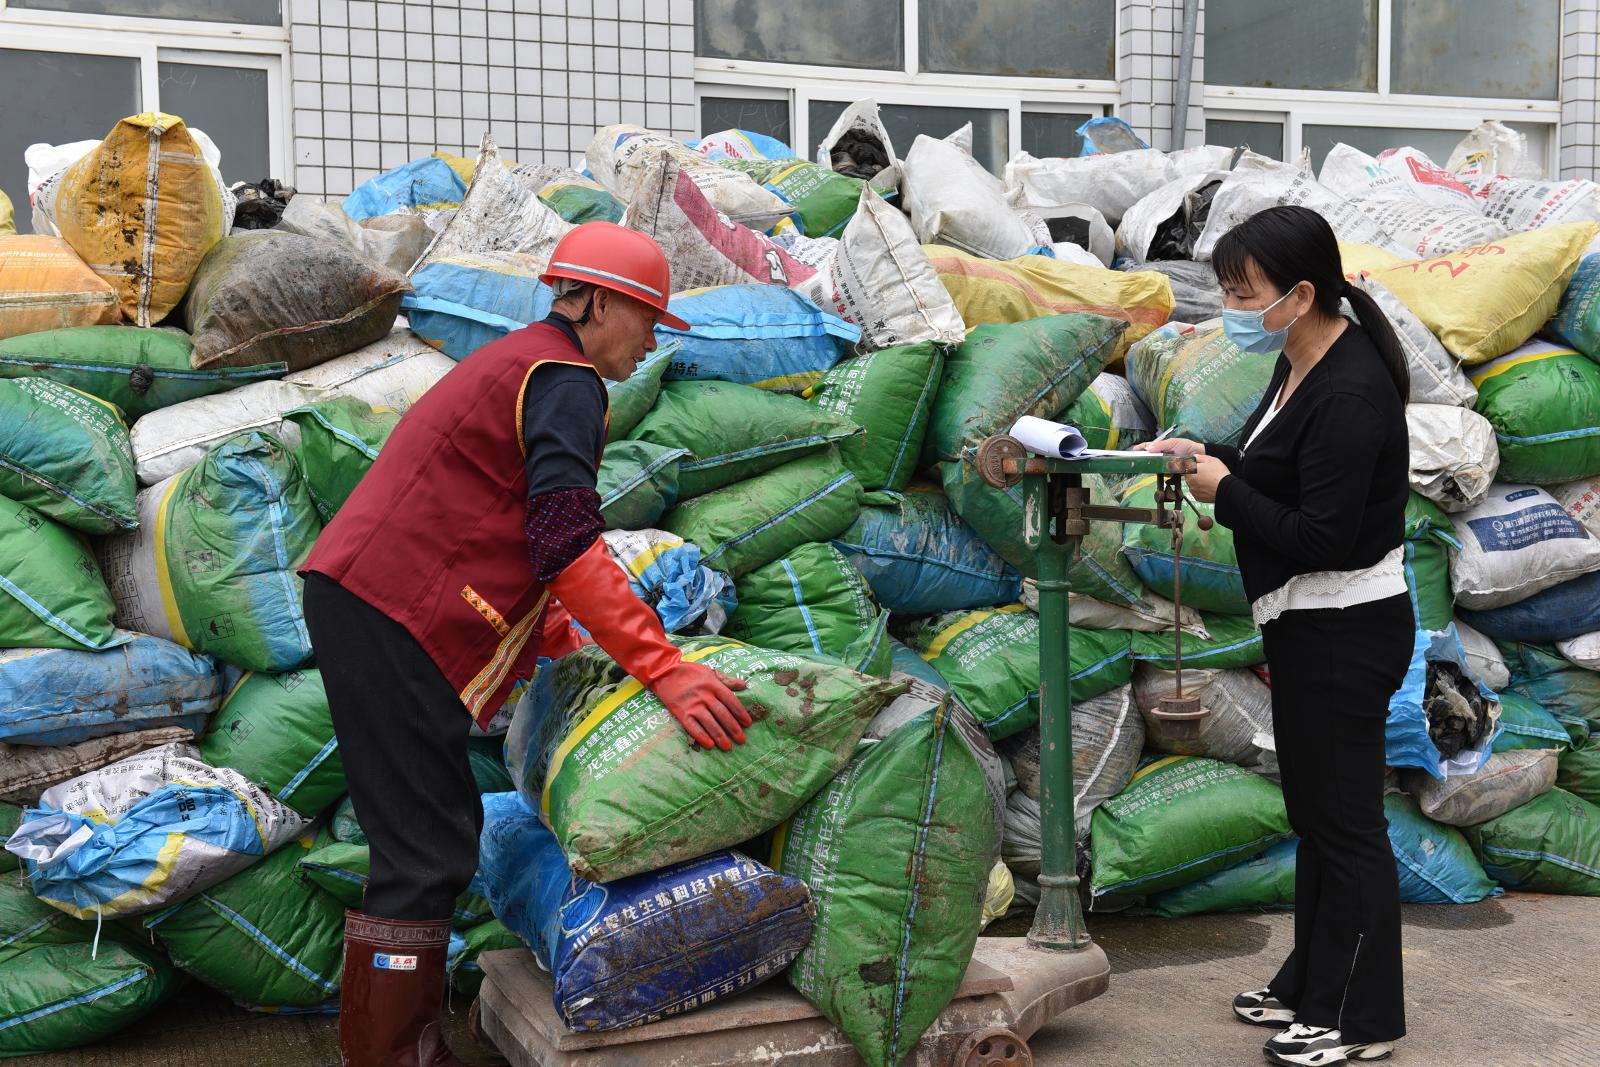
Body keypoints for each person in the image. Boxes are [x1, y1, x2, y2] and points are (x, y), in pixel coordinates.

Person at [300, 222, 753, 1067]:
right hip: (393, 607)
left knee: (421, 836)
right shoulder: (565, 377)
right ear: (600, 303)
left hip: (370, 602)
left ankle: (397, 1047)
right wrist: (665, 669)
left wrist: (566, 647)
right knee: (426, 844)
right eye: (648, 319)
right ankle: (394, 1055)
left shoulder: (528, 365)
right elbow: (565, 542)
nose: (651, 340)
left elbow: (516, 531)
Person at [1136, 205, 1412, 1067]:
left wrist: (1224, 490)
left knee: (1347, 825)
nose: (1229, 305)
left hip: (1345, 628)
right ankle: (1309, 984)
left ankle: (1363, 1021)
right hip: (1305, 623)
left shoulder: (1353, 388)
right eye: (1224, 287)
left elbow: (1319, 534)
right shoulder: (1301, 359)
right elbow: (1277, 466)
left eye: (1240, 291)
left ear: (1299, 294)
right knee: (1317, 817)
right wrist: (1208, 454)